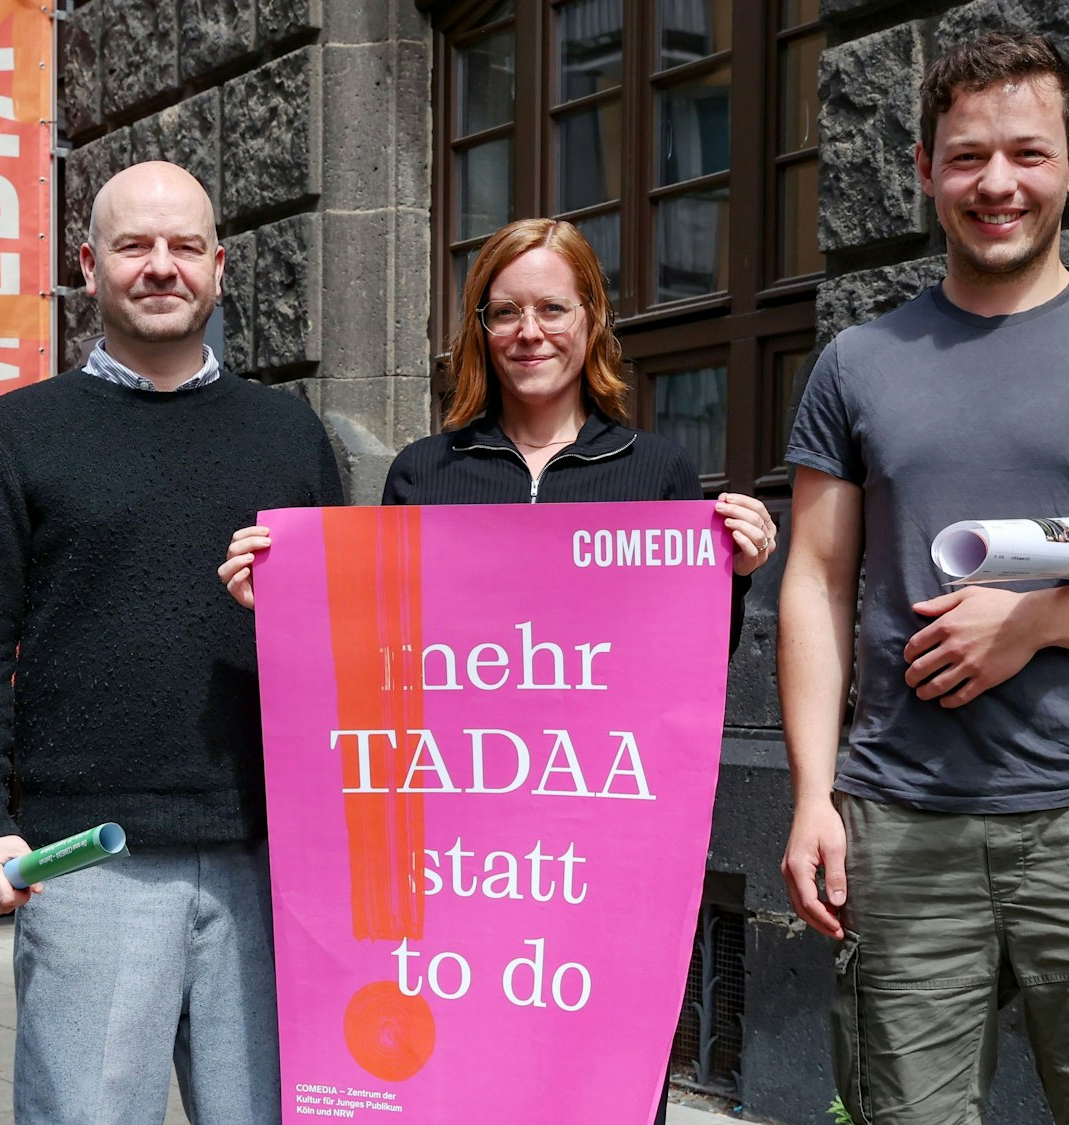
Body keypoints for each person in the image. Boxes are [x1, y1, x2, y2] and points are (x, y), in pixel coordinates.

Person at [777, 31, 1069, 1124]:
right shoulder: (857, 363)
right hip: (898, 826)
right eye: (965, 157)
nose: (995, 183)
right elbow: (810, 581)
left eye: (1026, 153)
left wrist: (1033, 624)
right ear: (922, 169)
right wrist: (812, 794)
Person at [218, 218, 778, 1122]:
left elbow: (678, 675)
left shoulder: (657, 471)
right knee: (457, 1075)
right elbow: (383, 667)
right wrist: (285, 607)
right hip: (458, 852)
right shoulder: (425, 473)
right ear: (480, 327)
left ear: (592, 319)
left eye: (553, 308)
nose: (531, 331)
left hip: (592, 856)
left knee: (593, 1069)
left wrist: (733, 580)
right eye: (506, 310)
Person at [0, 161, 342, 1125]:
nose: (162, 267)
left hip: (267, 860)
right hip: (87, 860)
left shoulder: (288, 434)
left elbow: (348, 639)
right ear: (89, 265)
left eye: (185, 247)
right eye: (135, 246)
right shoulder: (19, 432)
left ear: (220, 266)